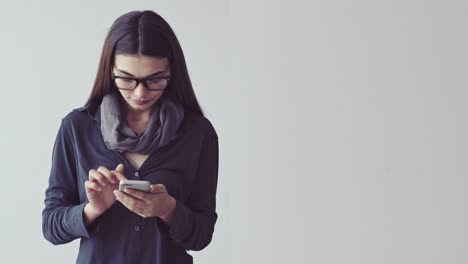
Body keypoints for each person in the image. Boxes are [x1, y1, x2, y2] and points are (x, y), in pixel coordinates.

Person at [42, 10, 219, 264]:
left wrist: (168, 210)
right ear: (110, 70)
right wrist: (93, 209)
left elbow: (202, 235)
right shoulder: (77, 128)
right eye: (126, 79)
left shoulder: (199, 134)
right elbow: (51, 227)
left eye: (155, 79)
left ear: (172, 72)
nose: (140, 93)